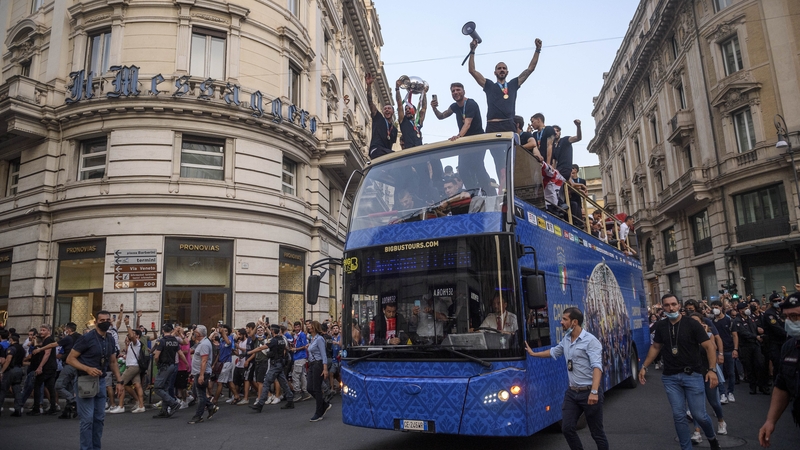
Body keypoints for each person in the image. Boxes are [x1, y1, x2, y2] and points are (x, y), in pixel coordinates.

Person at [638, 294, 721, 450]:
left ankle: (712, 438)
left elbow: (710, 346)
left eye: (674, 304)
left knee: (699, 415)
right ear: (662, 308)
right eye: (667, 305)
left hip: (693, 375)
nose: (671, 308)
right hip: (670, 377)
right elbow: (656, 347)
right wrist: (644, 366)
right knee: (679, 415)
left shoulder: (692, 324)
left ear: (679, 305)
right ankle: (686, 448)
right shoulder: (662, 326)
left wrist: (712, 370)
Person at [526, 307, 607, 450]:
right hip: (572, 392)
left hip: (589, 392)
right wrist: (533, 354)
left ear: (574, 322)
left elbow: (597, 367)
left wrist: (594, 391)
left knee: (597, 433)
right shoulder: (567, 339)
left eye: (564, 319)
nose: (560, 322)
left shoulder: (590, 341)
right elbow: (554, 351)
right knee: (567, 428)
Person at [468, 37, 541, 183]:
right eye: (499, 68)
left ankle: (515, 182)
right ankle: (503, 184)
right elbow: (472, 70)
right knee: (497, 160)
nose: (501, 70)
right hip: (492, 126)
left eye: (504, 68)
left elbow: (530, 69)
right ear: (494, 72)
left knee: (513, 155)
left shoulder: (513, 84)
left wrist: (537, 50)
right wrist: (472, 51)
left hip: (508, 125)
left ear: (507, 71)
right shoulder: (489, 85)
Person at [65, 310, 124, 450]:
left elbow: (113, 362)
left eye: (107, 320)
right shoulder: (87, 338)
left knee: (99, 419)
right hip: (85, 381)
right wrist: (87, 369)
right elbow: (70, 359)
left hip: (101, 381)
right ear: (96, 322)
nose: (105, 322)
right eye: (102, 320)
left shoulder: (110, 338)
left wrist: (120, 381)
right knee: (87, 420)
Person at [758, 292, 800, 447]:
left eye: (795, 316)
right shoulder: (789, 347)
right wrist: (770, 420)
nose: (789, 321)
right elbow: (782, 385)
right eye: (786, 317)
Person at [251, 325, 295, 412]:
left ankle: (260, 404)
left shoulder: (274, 340)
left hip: (275, 364)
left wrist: (249, 352)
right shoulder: (281, 339)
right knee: (283, 382)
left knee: (266, 382)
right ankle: (290, 400)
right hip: (280, 363)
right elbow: (286, 348)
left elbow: (263, 347)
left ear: (272, 331)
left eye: (271, 330)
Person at [733, 301, 769, 394]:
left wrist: (758, 330)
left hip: (755, 345)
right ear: (740, 310)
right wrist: (755, 336)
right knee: (749, 367)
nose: (747, 310)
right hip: (745, 346)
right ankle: (753, 387)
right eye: (745, 308)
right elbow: (743, 332)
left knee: (760, 364)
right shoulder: (737, 321)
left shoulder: (751, 318)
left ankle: (762, 385)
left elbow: (755, 327)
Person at [110, 329, 146, 414]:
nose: (130, 335)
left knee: (121, 383)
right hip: (133, 365)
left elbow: (132, 337)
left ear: (137, 336)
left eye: (133, 334)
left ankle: (121, 406)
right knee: (137, 385)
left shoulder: (136, 342)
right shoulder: (131, 344)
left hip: (132, 366)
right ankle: (140, 405)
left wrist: (128, 325)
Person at [188, 325, 219, 424]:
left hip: (202, 373)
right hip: (198, 372)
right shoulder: (202, 343)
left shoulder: (204, 344)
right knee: (198, 393)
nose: (193, 333)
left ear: (198, 334)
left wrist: (201, 375)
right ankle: (210, 407)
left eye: (195, 331)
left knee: (201, 395)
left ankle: (198, 416)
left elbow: (204, 360)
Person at [151, 323, 181, 418]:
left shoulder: (162, 341)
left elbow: (156, 356)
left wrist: (157, 363)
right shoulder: (175, 341)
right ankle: (164, 410)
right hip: (172, 365)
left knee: (157, 387)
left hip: (164, 366)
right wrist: (187, 363)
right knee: (165, 388)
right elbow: (180, 353)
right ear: (172, 330)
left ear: (163, 330)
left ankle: (173, 403)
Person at [711, 300, 737, 404]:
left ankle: (730, 392)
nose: (715, 309)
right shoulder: (712, 322)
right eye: (713, 307)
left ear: (721, 308)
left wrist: (735, 349)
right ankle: (722, 394)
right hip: (717, 351)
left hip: (729, 350)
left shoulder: (729, 320)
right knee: (719, 374)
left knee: (731, 373)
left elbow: (735, 335)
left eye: (716, 307)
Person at [366, 73, 397, 159]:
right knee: (395, 156)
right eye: (385, 109)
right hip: (376, 150)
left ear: (393, 112)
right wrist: (369, 86)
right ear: (383, 112)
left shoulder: (394, 129)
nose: (387, 110)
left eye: (389, 108)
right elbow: (370, 102)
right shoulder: (378, 118)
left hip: (386, 154)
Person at [30, 323, 58, 415]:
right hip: (51, 367)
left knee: (37, 386)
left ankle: (36, 408)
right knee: (50, 387)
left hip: (46, 367)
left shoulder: (48, 340)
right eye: (41, 330)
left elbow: (47, 353)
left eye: (43, 330)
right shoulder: (47, 340)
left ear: (48, 331)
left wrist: (40, 366)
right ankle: (53, 407)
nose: (41, 332)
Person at [306, 320, 330, 422]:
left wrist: (325, 369)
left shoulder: (319, 339)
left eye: (310, 326)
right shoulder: (312, 338)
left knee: (316, 388)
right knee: (309, 388)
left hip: (318, 364)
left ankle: (319, 412)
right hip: (312, 364)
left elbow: (323, 354)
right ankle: (324, 404)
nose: (308, 327)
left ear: (314, 327)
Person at [395, 77, 427, 149]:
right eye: (406, 109)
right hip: (409, 152)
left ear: (415, 111)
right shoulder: (403, 121)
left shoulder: (418, 122)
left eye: (409, 108)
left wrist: (423, 93)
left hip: (419, 152)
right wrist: (397, 89)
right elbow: (399, 104)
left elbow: (424, 108)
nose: (407, 110)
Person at [0, 333, 25, 417]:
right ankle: (18, 409)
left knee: (3, 389)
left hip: (11, 370)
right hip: (19, 369)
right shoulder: (22, 349)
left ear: (11, 340)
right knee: (17, 389)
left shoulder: (11, 348)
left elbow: (8, 360)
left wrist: (2, 371)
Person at [290, 321, 311, 401]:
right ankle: (305, 392)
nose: (297, 329)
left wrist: (296, 349)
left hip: (300, 356)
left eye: (298, 327)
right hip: (297, 357)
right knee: (302, 375)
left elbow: (305, 345)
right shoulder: (295, 335)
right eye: (295, 327)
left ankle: (297, 392)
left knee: (295, 375)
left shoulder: (302, 335)